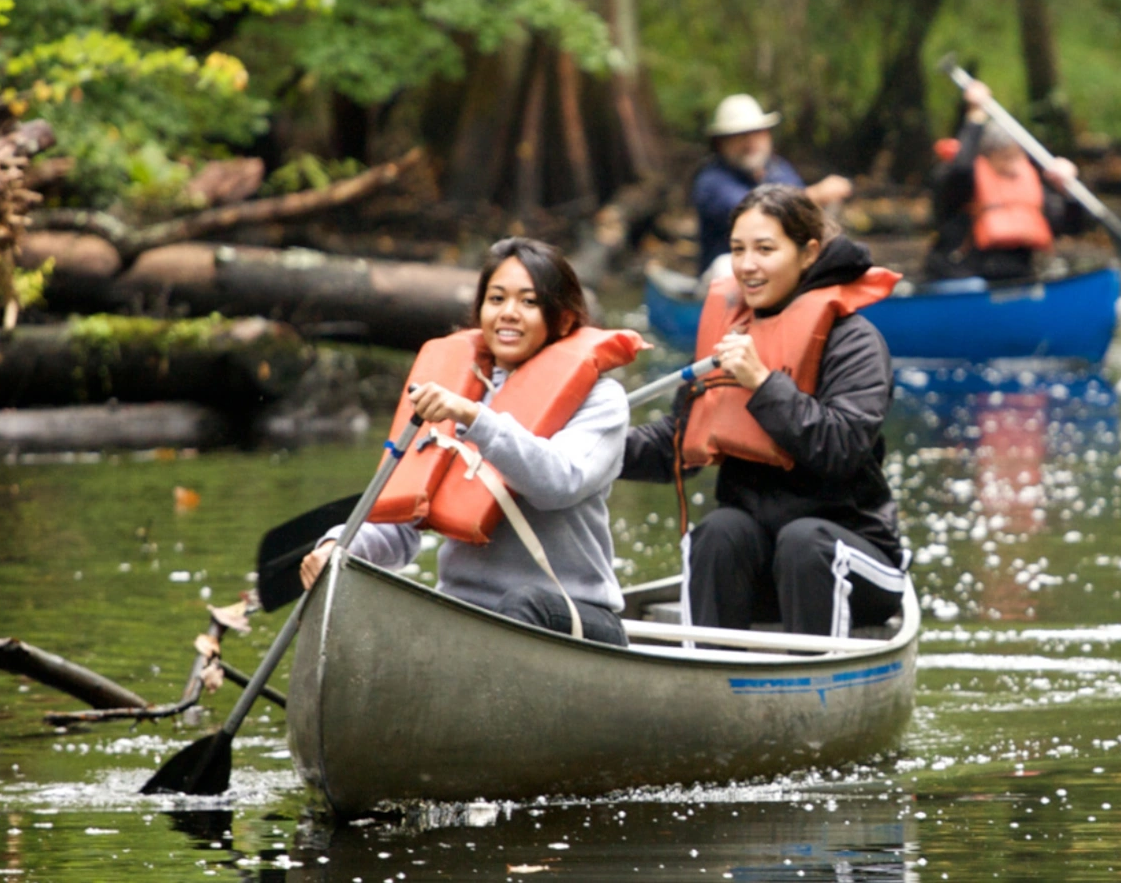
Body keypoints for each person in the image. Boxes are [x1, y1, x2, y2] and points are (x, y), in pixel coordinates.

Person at [300, 238, 639, 646]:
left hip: (571, 615)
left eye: (529, 302)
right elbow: (399, 525)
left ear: (564, 320)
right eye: (496, 299)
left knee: (522, 606)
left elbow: (559, 483)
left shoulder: (602, 399)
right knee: (376, 596)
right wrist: (338, 547)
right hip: (467, 614)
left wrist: (474, 418)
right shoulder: (450, 388)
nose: (508, 313)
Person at [623, 184, 909, 638]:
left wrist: (763, 383)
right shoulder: (731, 333)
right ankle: (710, 689)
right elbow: (673, 445)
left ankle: (814, 694)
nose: (747, 265)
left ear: (809, 253)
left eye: (765, 249)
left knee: (804, 542)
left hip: (851, 560)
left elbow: (842, 449)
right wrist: (584, 446)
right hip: (763, 564)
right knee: (717, 532)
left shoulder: (854, 341)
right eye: (737, 249)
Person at [922, 80, 1085, 282]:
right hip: (959, 276)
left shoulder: (1028, 183)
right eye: (1005, 157)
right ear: (986, 156)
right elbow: (962, 168)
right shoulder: (958, 179)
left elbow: (1072, 226)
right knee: (971, 286)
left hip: (1016, 278)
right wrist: (975, 117)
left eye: (1017, 156)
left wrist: (1069, 192)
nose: (1014, 164)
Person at [691, 94, 853, 284]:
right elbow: (754, 213)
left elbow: (802, 218)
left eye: (756, 133)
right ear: (721, 144)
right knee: (724, 266)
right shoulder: (711, 182)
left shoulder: (779, 169)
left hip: (778, 271)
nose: (750, 142)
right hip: (727, 278)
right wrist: (816, 194)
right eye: (739, 136)